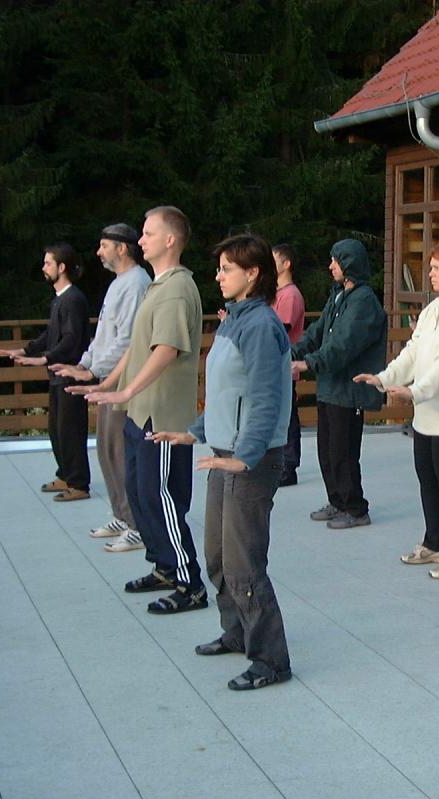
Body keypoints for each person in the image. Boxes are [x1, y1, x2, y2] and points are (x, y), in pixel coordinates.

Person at [152, 234, 294, 691]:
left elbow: (265, 399)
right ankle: (236, 631)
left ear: (253, 273)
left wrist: (245, 457)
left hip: (250, 459)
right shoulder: (236, 320)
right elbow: (226, 395)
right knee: (216, 553)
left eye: (226, 269)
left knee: (243, 562)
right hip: (225, 452)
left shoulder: (261, 326)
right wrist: (194, 432)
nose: (218, 276)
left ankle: (270, 660)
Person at [71, 206, 207, 615]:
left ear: (170, 240)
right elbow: (137, 345)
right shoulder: (157, 286)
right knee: (140, 493)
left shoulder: (178, 288)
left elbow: (166, 349)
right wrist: (109, 384)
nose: (140, 240)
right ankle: (164, 566)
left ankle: (189, 583)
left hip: (162, 417)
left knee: (161, 498)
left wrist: (127, 388)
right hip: (139, 411)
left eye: (148, 233)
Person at [356, 240, 439, 579]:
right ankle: (436, 541)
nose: (430, 273)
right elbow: (412, 353)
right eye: (431, 268)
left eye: (437, 268)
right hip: (427, 413)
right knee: (427, 480)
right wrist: (384, 378)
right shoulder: (433, 309)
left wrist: (416, 390)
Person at [51, 224, 152, 551]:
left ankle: (137, 525)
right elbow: (104, 335)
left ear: (122, 248)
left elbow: (128, 340)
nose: (98, 252)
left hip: (124, 377)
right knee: (106, 449)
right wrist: (84, 364)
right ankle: (121, 515)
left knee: (121, 451)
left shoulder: (136, 283)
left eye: (104, 246)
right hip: (108, 376)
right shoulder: (118, 283)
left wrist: (94, 369)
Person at [291, 239, 387, 530]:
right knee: (327, 451)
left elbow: (344, 345)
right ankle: (337, 501)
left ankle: (355, 508)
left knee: (344, 453)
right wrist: (290, 352)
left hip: (349, 390)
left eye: (336, 260)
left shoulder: (364, 301)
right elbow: (316, 333)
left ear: (349, 263)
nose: (331, 265)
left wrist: (309, 364)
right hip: (330, 387)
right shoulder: (338, 295)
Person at [0, 243, 90, 502]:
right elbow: (51, 334)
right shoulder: (60, 299)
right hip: (57, 376)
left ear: (62, 267)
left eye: (48, 263)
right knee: (56, 429)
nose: (43, 267)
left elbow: (71, 339)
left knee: (70, 431)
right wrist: (25, 350)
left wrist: (45, 358)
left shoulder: (74, 299)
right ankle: (65, 474)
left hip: (71, 374)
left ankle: (79, 483)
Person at [271, 243, 305, 487]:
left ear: (286, 264)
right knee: (278, 415)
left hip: (284, 366)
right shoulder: (276, 293)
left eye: (273, 258)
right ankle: (279, 462)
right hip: (273, 366)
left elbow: (280, 329)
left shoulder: (290, 295)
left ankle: (289, 465)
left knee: (287, 416)